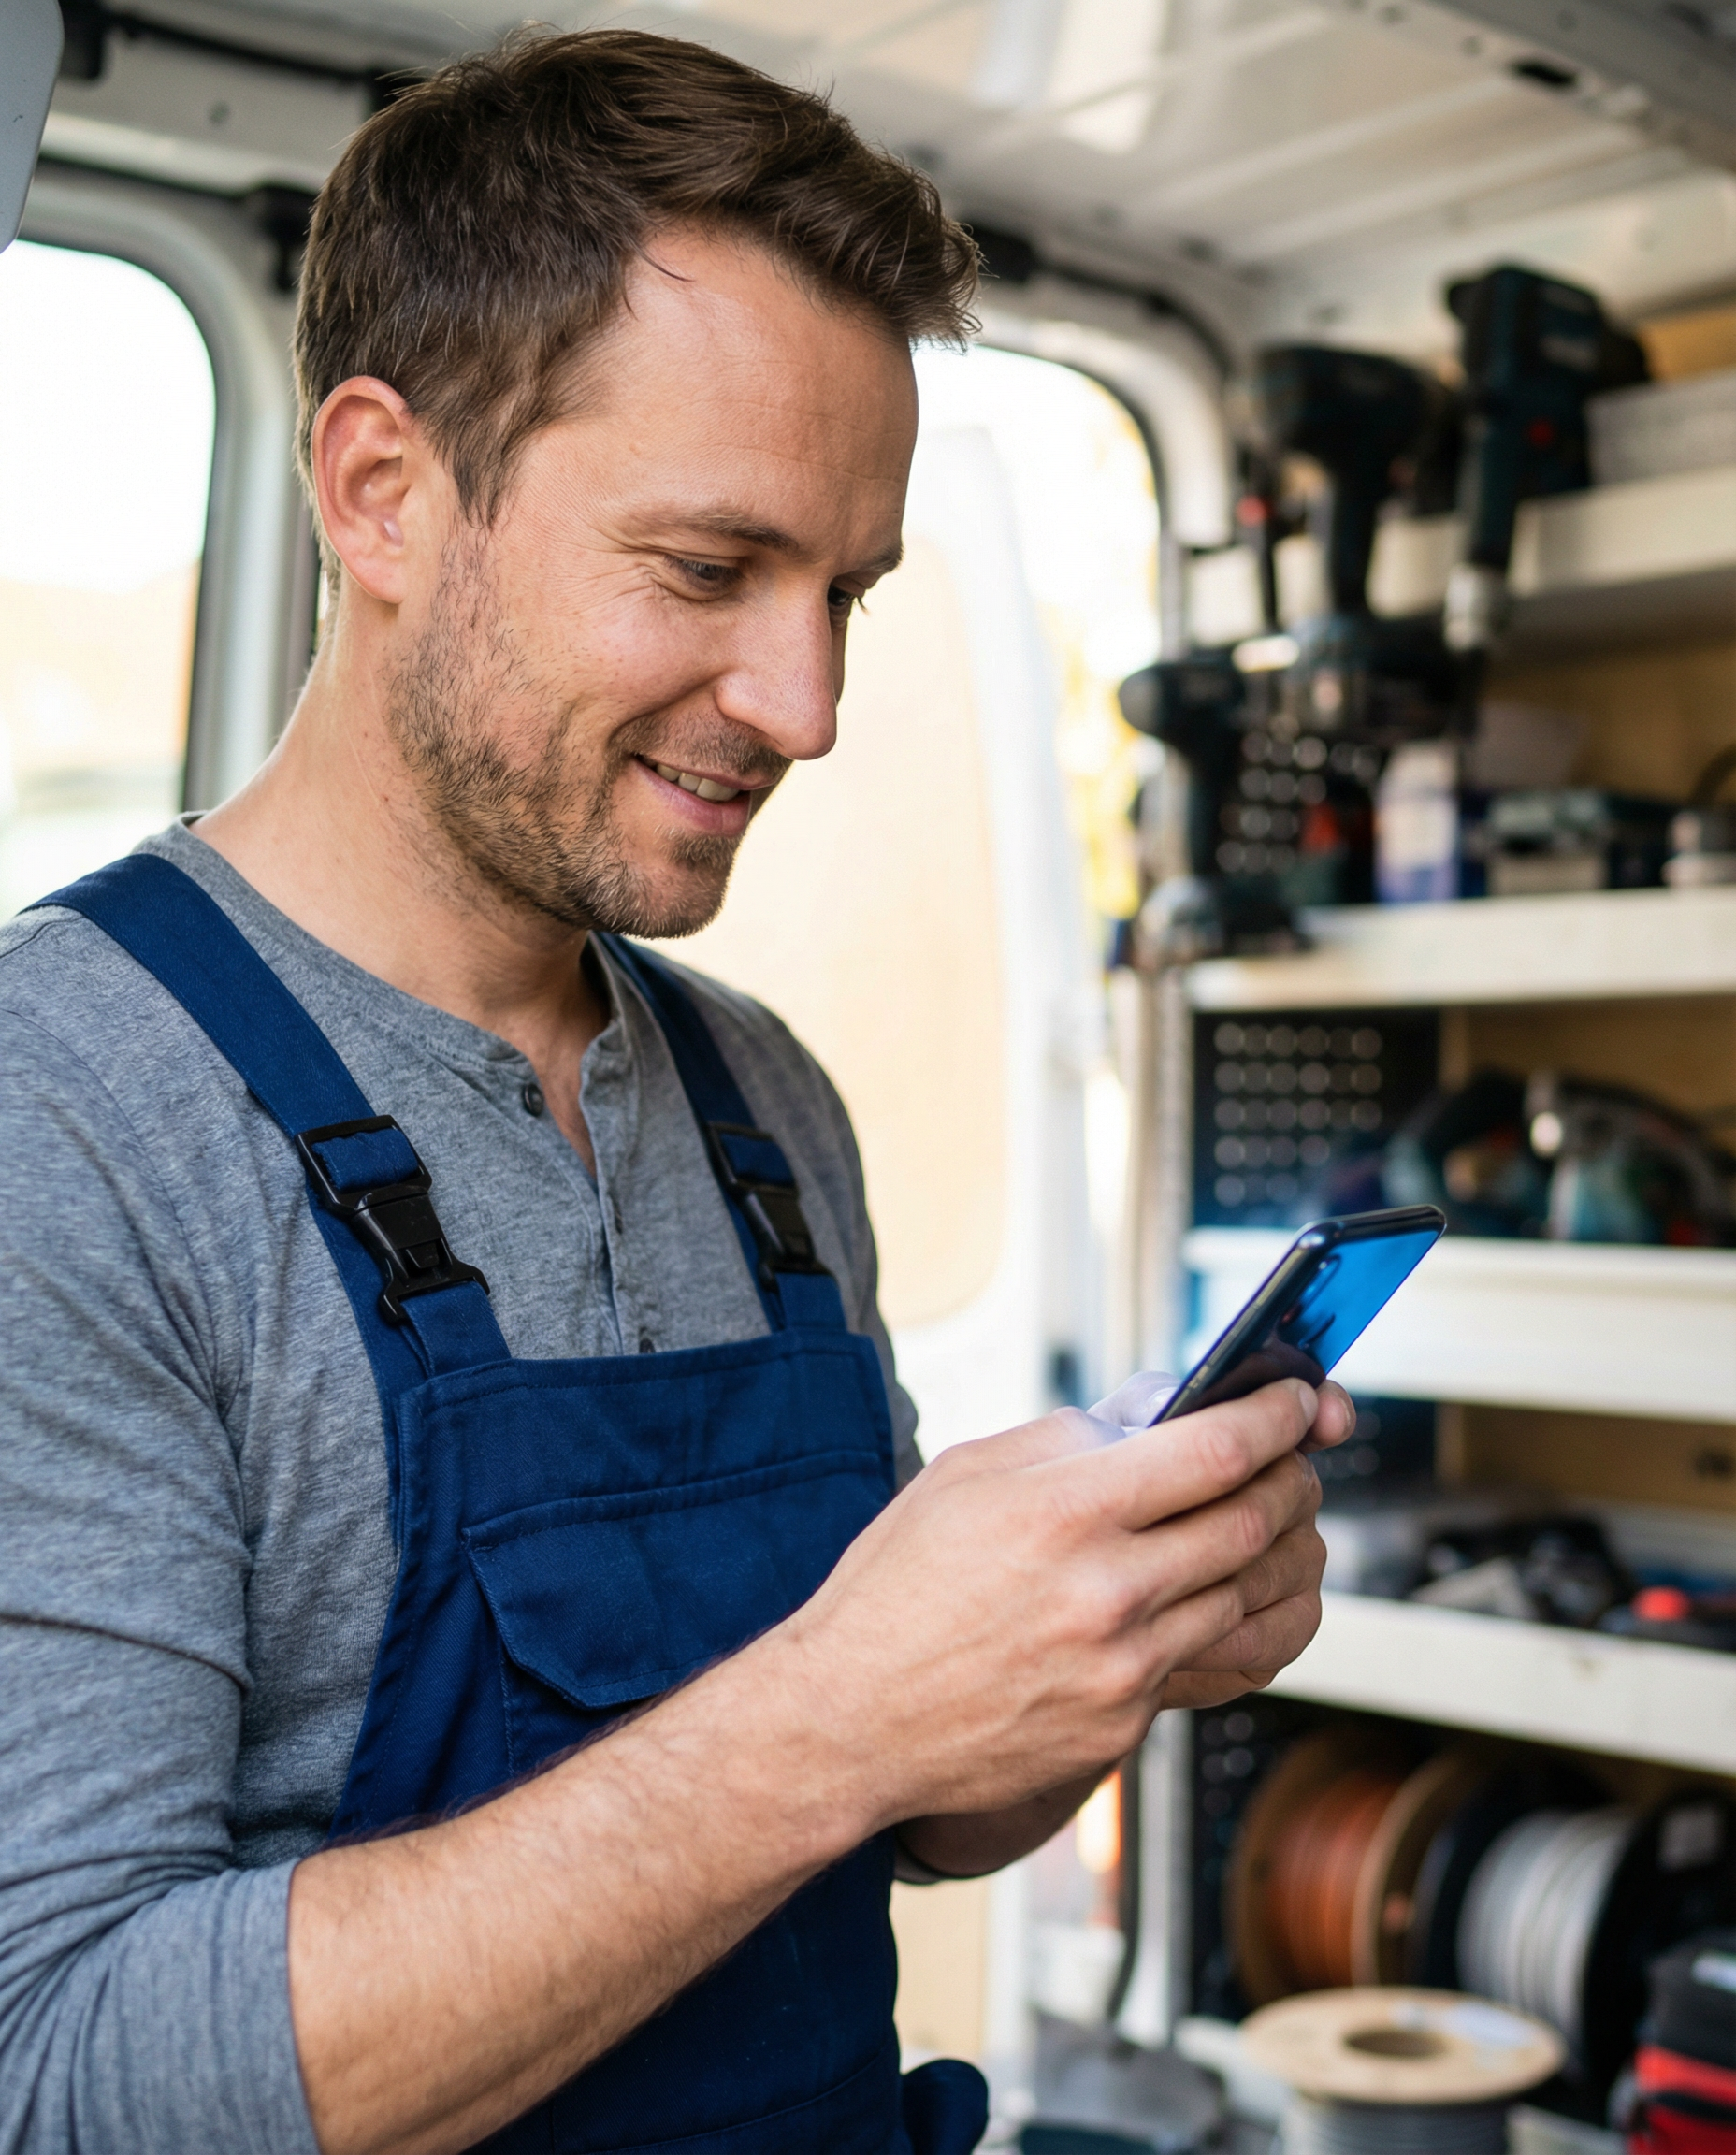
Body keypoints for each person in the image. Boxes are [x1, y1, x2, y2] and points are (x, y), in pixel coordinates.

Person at [0, 30, 1350, 2155]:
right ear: (380, 492)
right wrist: (833, 1716)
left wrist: (1100, 1646)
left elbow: (904, 1813)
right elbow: (60, 2076)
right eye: (708, 572)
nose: (803, 705)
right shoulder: (59, 1123)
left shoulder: (764, 1115)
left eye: (847, 595)